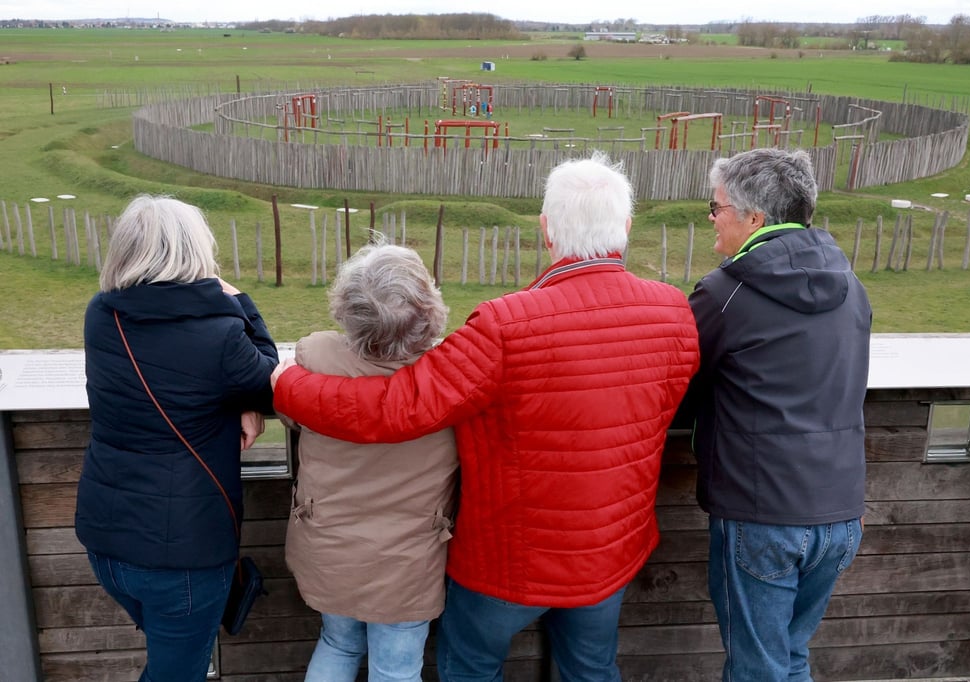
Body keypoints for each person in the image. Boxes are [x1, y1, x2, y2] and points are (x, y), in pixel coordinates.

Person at [272, 152, 700, 680]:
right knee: (592, 670)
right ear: (627, 228)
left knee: (471, 668)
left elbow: (396, 407)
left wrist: (287, 383)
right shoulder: (673, 312)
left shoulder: (507, 325)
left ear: (546, 230)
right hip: (608, 554)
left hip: (507, 563)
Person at [678, 148, 872, 681]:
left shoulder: (726, 292)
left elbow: (679, 379)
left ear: (754, 218)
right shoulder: (850, 286)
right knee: (789, 657)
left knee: (757, 667)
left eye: (716, 208)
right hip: (839, 511)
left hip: (762, 512)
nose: (713, 219)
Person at [75, 194, 279, 682]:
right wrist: (239, 301)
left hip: (106, 542)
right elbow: (270, 382)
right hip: (184, 557)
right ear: (196, 251)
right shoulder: (223, 334)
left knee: (172, 659)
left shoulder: (102, 315)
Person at [283, 241, 458, 682]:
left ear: (347, 306)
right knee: (395, 669)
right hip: (408, 559)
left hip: (330, 545)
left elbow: (288, 413)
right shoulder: (450, 375)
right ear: (428, 308)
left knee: (338, 644)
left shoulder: (315, 357)